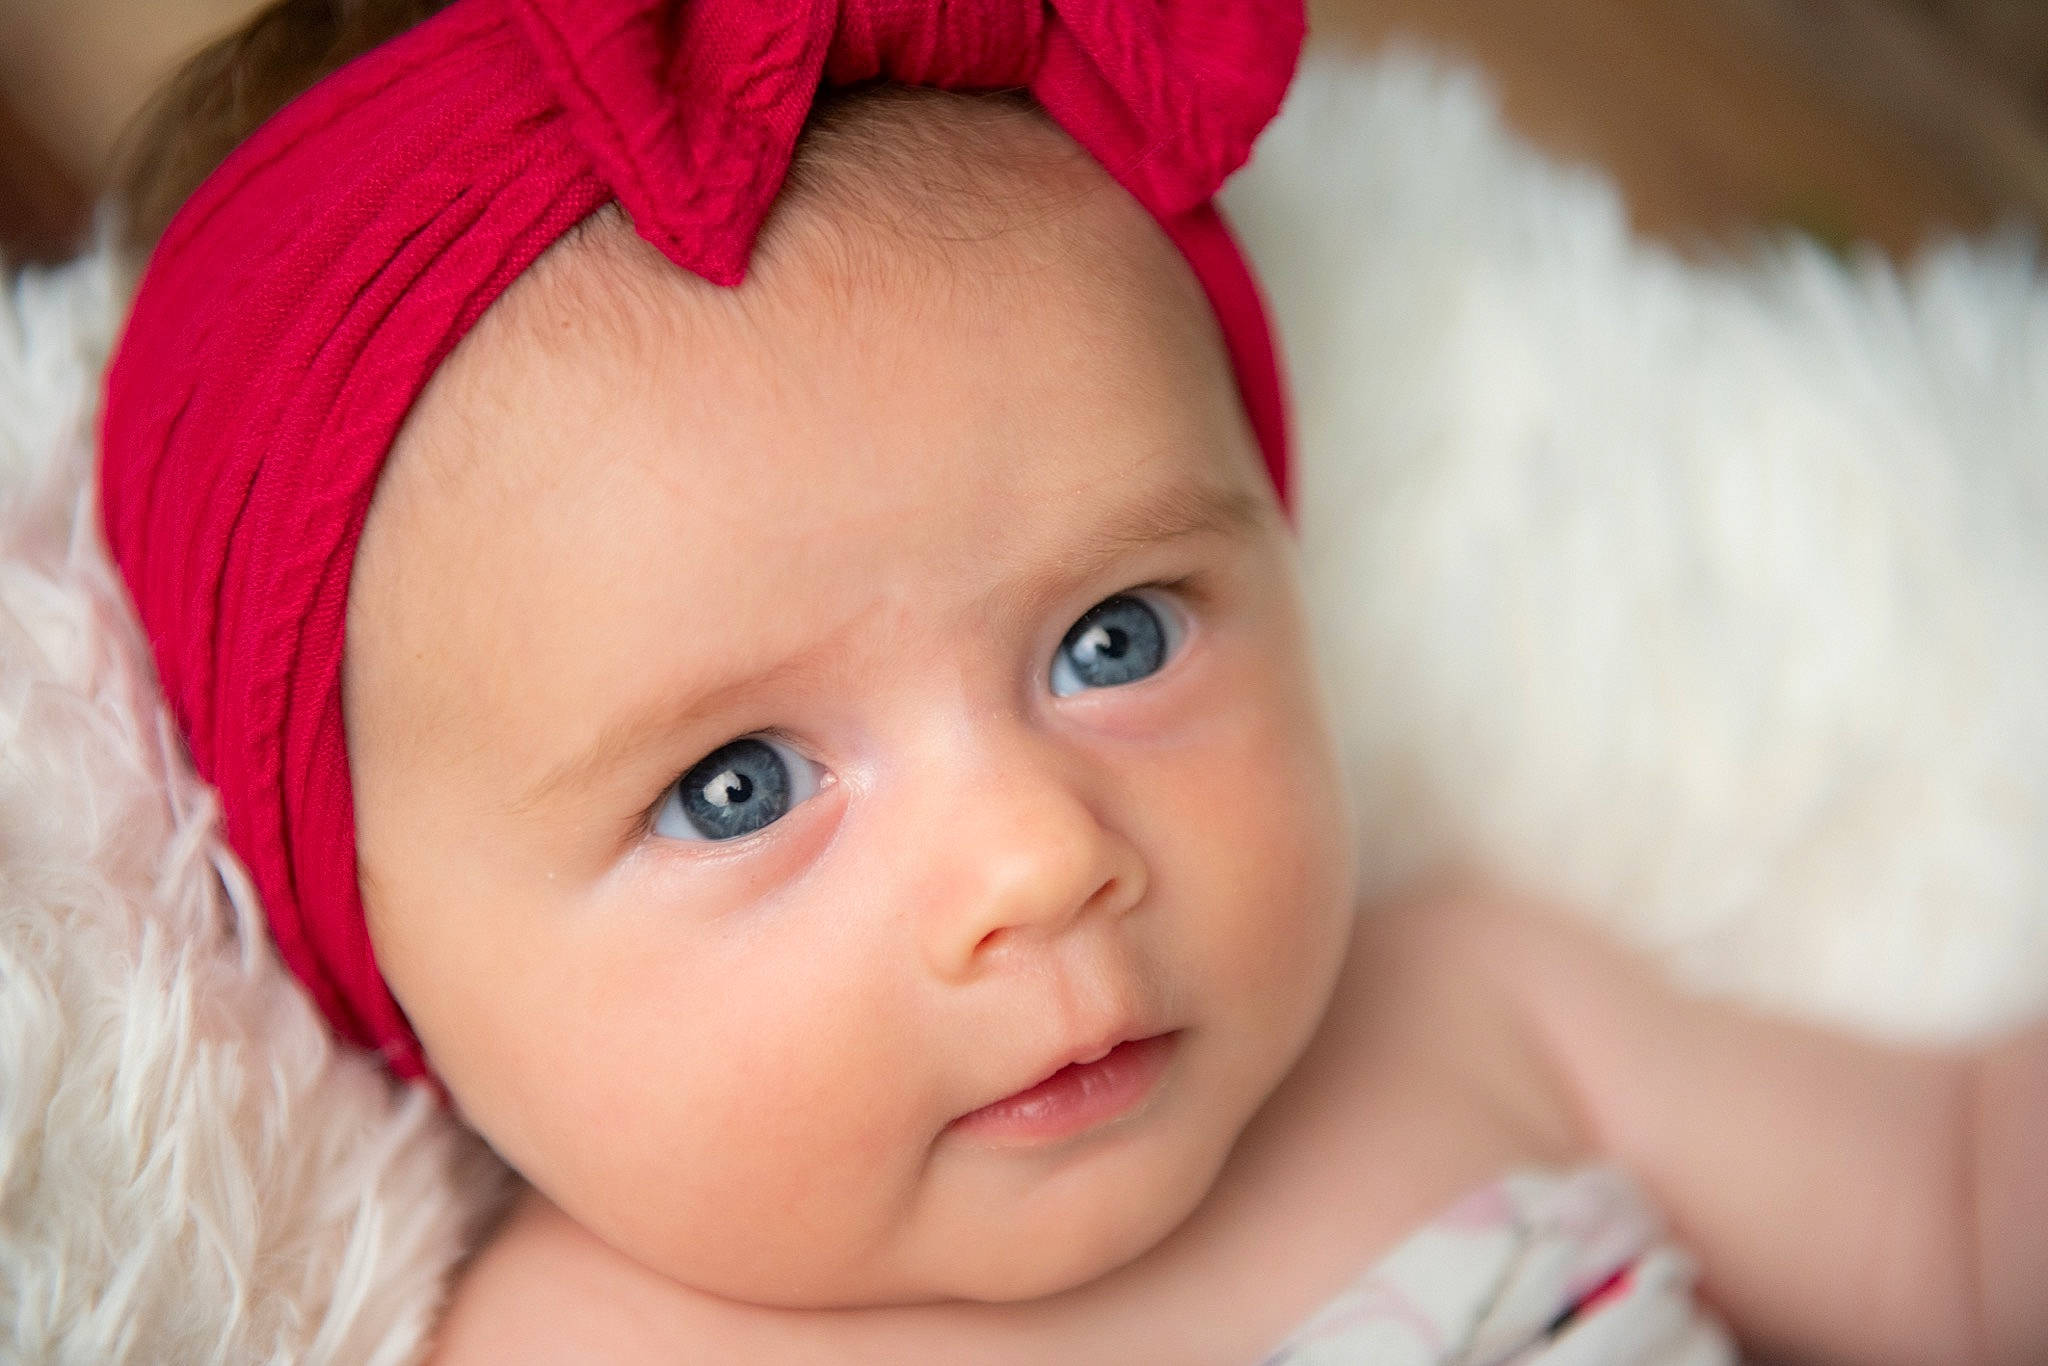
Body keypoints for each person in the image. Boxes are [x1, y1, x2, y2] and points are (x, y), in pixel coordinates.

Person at [98, 1, 2046, 1361]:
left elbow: (1967, 1216)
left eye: (1113, 639)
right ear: (374, 942)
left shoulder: (1471, 1015)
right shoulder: (579, 1345)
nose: (1037, 854)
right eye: (740, 785)